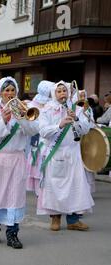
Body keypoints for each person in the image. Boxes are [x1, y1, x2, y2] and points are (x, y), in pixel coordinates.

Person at [0, 77, 39, 249]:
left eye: (13, 90)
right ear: (0, 92)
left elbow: (33, 130)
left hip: (16, 159)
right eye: (6, 90)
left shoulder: (23, 109)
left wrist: (21, 118)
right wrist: (3, 121)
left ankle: (12, 233)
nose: (10, 93)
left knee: (14, 196)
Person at [37, 81, 94, 231]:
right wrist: (60, 125)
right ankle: (55, 218)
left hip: (73, 153)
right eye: (59, 91)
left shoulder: (76, 108)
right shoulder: (47, 110)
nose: (62, 94)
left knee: (75, 187)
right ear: (54, 94)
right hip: (56, 153)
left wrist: (76, 119)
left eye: (64, 91)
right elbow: (43, 131)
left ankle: (73, 220)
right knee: (55, 187)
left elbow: (85, 130)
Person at [26, 80, 54, 196]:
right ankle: (40, 193)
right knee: (38, 167)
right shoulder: (32, 105)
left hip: (50, 140)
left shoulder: (53, 104)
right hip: (37, 142)